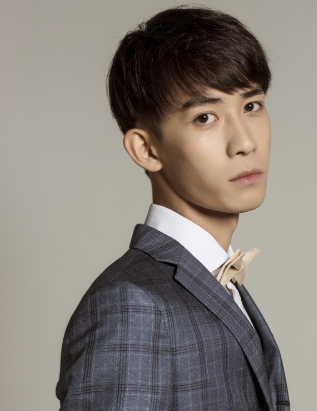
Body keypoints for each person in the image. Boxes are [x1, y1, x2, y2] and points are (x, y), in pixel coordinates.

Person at [56, 6, 290, 410]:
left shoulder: (212, 280)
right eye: (205, 117)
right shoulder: (131, 305)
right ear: (146, 149)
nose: (245, 142)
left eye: (251, 105)